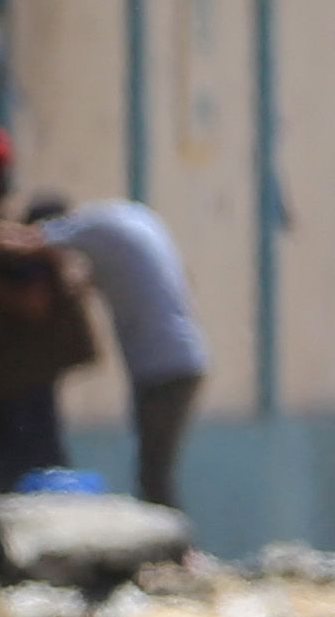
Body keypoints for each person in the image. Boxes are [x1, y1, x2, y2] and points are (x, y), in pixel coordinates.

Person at [26, 191, 211, 511]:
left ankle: (176, 551)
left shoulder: (87, 228)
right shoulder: (128, 221)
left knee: (154, 472)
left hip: (161, 367)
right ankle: (177, 548)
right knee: (156, 468)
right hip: (184, 360)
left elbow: (27, 241)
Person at [0, 128, 99, 490]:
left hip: (25, 373)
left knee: (33, 472)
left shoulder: (5, 230)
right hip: (15, 372)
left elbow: (35, 302)